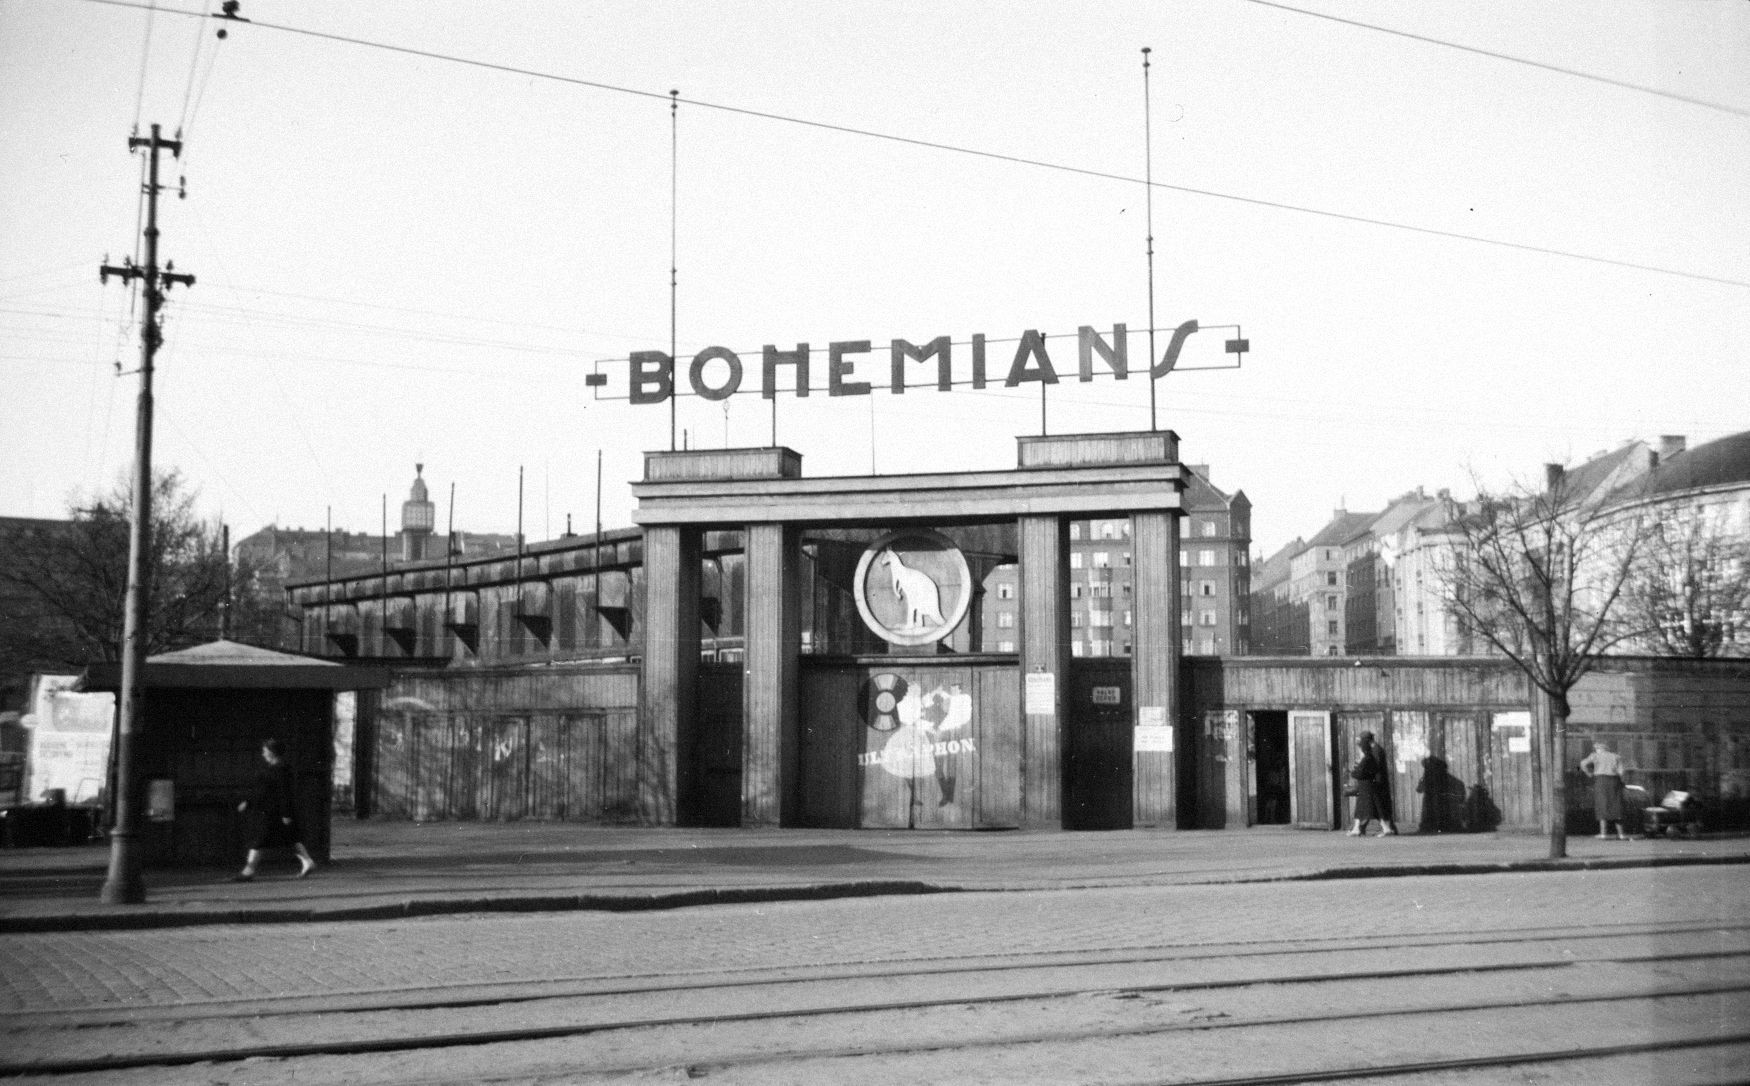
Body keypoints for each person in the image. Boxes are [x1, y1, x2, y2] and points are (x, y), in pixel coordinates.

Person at [235, 738, 316, 880]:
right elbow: (261, 790)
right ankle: (307, 861)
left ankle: (249, 871)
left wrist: (286, 813)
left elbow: (285, 793)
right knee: (290, 838)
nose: (263, 754)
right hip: (270, 810)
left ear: (272, 752)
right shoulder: (273, 768)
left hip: (274, 812)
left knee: (259, 839)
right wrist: (248, 802)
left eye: (265, 751)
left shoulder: (281, 769)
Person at [1347, 731, 1397, 837]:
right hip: (1371, 784)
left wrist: (1358, 768)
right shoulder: (1373, 751)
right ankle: (1359, 828)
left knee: (1374, 807)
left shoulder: (1374, 751)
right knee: (1371, 807)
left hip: (1373, 784)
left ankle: (1361, 828)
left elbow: (1373, 769)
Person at [1579, 738, 1629, 840]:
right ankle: (1621, 834)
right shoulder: (1616, 756)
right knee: (1617, 807)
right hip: (1614, 782)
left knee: (1602, 806)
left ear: (1599, 748)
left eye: (1596, 748)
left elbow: (1582, 764)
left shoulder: (1594, 756)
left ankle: (1603, 834)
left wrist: (1588, 773)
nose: (1595, 749)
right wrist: (1623, 782)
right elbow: (1622, 772)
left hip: (1600, 781)